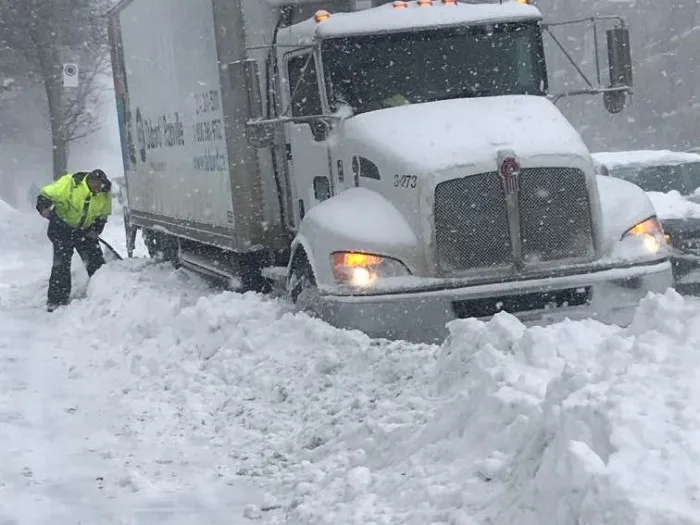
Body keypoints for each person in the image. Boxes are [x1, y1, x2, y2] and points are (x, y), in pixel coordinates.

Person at [36, 170, 112, 312]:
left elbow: (103, 215)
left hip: (84, 231)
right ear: (89, 181)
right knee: (62, 264)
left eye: (100, 186)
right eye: (95, 185)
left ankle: (104, 295)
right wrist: (44, 207)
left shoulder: (104, 192)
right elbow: (45, 194)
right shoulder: (70, 183)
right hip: (62, 228)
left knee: (96, 262)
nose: (97, 189)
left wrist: (95, 229)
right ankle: (56, 301)